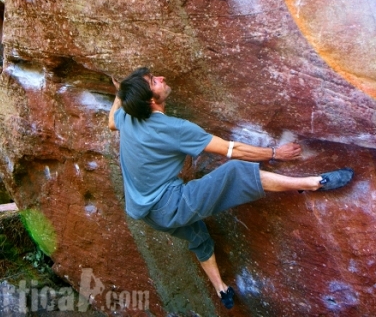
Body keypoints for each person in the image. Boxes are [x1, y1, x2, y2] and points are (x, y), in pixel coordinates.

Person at [108, 67, 354, 309]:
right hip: (170, 205)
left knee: (197, 234)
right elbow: (232, 150)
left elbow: (111, 122)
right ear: (152, 100)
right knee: (235, 170)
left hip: (143, 212)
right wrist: (274, 153)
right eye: (154, 81)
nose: (161, 78)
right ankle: (312, 183)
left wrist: (121, 95)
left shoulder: (128, 116)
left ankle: (221, 289)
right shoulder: (175, 128)